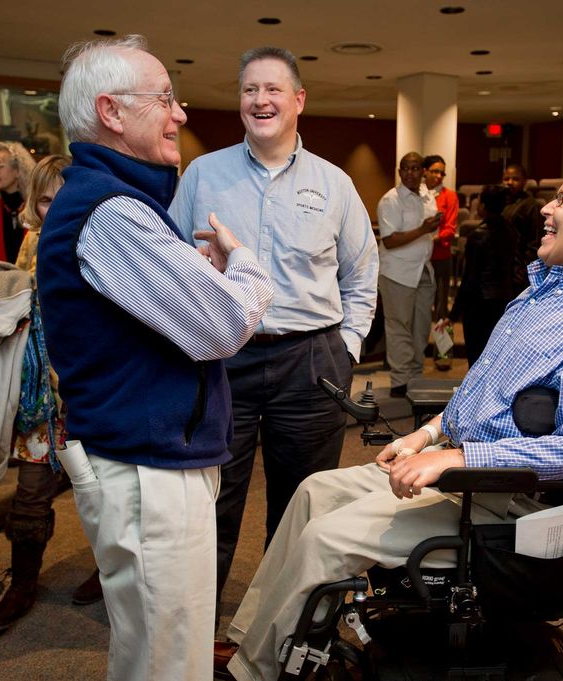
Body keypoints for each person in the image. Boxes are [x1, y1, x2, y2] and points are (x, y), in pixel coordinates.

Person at [218, 153, 563, 681]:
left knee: (328, 538)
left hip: (508, 501)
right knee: (313, 491)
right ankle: (258, 642)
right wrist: (427, 435)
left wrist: (457, 456)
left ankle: (256, 671)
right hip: (461, 470)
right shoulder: (538, 295)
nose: (548, 207)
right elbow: (477, 393)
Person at [35, 35, 273, 681]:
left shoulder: (116, 202)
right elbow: (222, 324)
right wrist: (244, 264)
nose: (181, 114)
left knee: (154, 650)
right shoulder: (110, 210)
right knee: (169, 660)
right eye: (165, 98)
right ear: (111, 111)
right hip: (147, 472)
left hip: (149, 460)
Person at [168, 46, 378, 607]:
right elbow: (164, 262)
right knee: (210, 496)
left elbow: (362, 272)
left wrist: (347, 347)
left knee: (302, 502)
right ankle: (196, 624)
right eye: (249, 90)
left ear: (298, 100)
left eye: (272, 90)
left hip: (310, 362)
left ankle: (278, 624)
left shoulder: (334, 184)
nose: (260, 101)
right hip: (220, 358)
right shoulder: (201, 176)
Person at [0, 154, 103, 633]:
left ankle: (107, 570)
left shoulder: (105, 237)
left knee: (107, 495)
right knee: (29, 498)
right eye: (45, 200)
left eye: (62, 199)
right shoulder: (30, 244)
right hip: (41, 398)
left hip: (94, 392)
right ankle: (22, 587)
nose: (54, 209)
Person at [377, 151, 441, 397]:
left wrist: (431, 229)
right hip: (397, 272)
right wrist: (423, 229)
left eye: (415, 168)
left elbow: (429, 233)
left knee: (421, 326)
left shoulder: (427, 197)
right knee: (399, 326)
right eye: (406, 168)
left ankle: (416, 376)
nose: (411, 173)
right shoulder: (390, 200)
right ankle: (400, 380)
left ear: (422, 171)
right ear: (400, 171)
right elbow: (390, 240)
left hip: (423, 270)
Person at [448, 185, 522, 365]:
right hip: (504, 300)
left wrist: (454, 314)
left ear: (484, 205)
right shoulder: (511, 231)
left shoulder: (478, 235)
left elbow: (469, 279)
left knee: (477, 355)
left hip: (479, 304)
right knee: (496, 355)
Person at [422, 154, 458, 323]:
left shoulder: (449, 196)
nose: (438, 176)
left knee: (441, 304)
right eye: (434, 171)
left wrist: (429, 239)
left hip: (440, 255)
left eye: (441, 173)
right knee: (421, 302)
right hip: (419, 256)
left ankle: (440, 348)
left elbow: (450, 229)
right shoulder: (417, 194)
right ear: (425, 172)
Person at [502, 163, 545, 273]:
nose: (510, 182)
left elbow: (534, 243)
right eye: (506, 179)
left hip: (519, 268)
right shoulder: (500, 203)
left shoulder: (532, 205)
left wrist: (525, 269)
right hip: (502, 265)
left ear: (524, 181)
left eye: (515, 179)